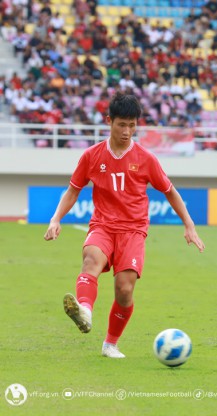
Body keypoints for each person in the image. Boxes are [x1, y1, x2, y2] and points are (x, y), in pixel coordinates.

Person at [44, 93, 205, 359]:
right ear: (109, 121)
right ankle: (84, 311)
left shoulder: (146, 159)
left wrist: (189, 225)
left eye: (132, 125)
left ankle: (110, 344)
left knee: (124, 289)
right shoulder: (91, 156)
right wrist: (55, 218)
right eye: (121, 124)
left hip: (133, 230)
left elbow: (171, 191)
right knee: (91, 259)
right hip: (103, 225)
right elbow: (73, 190)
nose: (127, 131)